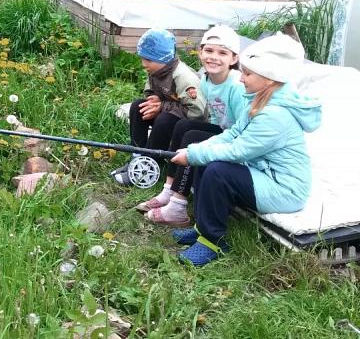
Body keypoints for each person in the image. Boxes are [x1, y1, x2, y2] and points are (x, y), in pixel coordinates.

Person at [169, 33, 321, 266]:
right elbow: (231, 134)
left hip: (285, 189)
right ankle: (202, 228)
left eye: (248, 74)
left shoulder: (275, 115)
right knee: (206, 163)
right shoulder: (260, 100)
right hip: (266, 175)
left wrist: (193, 155)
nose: (241, 79)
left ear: (269, 79)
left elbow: (237, 151)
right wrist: (196, 150)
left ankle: (213, 242)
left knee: (218, 171)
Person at [140, 25, 246, 225]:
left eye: (222, 53)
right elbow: (214, 117)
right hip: (224, 131)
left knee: (192, 138)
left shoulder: (236, 86)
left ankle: (178, 206)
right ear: (200, 52)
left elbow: (244, 127)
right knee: (184, 127)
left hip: (237, 139)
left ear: (233, 59)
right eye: (209, 50)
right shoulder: (206, 81)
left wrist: (212, 141)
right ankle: (168, 190)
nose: (214, 57)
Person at [111, 28, 207, 185]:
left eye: (148, 60)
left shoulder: (184, 78)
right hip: (171, 112)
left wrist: (162, 106)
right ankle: (138, 155)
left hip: (188, 125)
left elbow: (197, 112)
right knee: (137, 106)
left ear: (163, 58)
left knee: (164, 119)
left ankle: (148, 164)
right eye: (142, 58)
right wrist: (152, 99)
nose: (143, 64)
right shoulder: (158, 70)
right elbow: (150, 90)